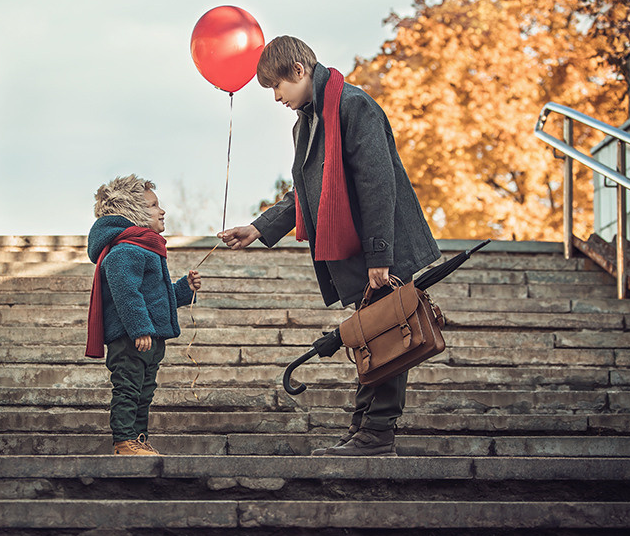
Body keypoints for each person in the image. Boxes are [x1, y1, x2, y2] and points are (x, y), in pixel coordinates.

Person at [218, 36, 440, 457]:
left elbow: (377, 185)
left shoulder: (353, 106)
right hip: (359, 252)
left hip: (381, 248)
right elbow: (305, 193)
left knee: (389, 338)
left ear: (299, 70)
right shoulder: (307, 122)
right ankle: (363, 429)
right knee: (373, 338)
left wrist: (380, 255)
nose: (276, 97)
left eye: (277, 86)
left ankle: (377, 435)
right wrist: (259, 228)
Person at [85, 175, 201, 456]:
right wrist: (139, 328)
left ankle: (138, 439)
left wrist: (184, 289)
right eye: (153, 206)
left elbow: (156, 297)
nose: (162, 211)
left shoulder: (146, 248)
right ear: (133, 212)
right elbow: (126, 292)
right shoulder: (126, 250)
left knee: (144, 391)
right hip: (131, 339)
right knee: (128, 388)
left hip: (148, 338)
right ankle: (124, 440)